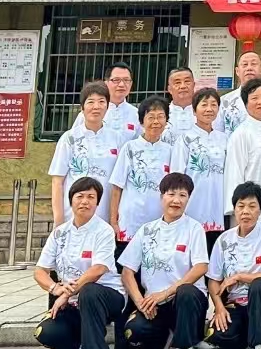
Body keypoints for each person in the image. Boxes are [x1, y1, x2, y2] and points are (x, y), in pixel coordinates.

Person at [33, 177, 126, 349]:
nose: (85, 201)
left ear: (97, 202)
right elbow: (40, 271)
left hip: (107, 296)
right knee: (46, 332)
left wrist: (67, 293)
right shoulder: (60, 233)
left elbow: (98, 269)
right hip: (73, 298)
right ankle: (78, 347)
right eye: (80, 196)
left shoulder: (103, 231)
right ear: (71, 200)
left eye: (91, 197)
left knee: (89, 291)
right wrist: (55, 289)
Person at [120, 172, 210, 349]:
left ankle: (186, 348)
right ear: (161, 197)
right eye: (171, 194)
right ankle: (167, 337)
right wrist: (141, 302)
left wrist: (166, 293)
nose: (176, 200)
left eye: (182, 195)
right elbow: (127, 272)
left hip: (184, 301)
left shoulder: (194, 228)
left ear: (188, 199)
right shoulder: (147, 230)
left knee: (186, 291)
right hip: (154, 303)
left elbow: (201, 266)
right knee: (135, 332)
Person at [205, 181, 261, 349]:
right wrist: (219, 307)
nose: (245, 212)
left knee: (258, 284)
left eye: (252, 206)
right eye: (240, 206)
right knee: (218, 335)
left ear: (260, 210)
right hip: (236, 303)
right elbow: (213, 280)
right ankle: (246, 342)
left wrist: (240, 276)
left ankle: (260, 345)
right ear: (234, 209)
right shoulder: (224, 240)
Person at [48, 81, 122, 226]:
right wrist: (59, 222)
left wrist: (114, 220)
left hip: (104, 217)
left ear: (107, 106)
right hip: (73, 217)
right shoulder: (69, 139)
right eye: (91, 102)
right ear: (82, 108)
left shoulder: (117, 139)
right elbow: (57, 181)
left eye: (101, 101)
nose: (96, 106)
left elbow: (118, 183)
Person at [109, 96, 174, 244]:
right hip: (131, 219)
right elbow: (117, 187)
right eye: (151, 117)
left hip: (159, 218)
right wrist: (113, 221)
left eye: (160, 117)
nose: (156, 122)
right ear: (141, 121)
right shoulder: (130, 148)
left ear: (166, 121)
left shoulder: (170, 151)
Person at [169, 88, 229, 249]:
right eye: (204, 104)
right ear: (194, 110)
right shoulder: (185, 139)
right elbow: (177, 175)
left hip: (218, 205)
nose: (209, 109)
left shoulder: (224, 139)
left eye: (213, 105)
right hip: (193, 204)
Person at [223, 79, 261, 233]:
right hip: (250, 206)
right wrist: (237, 210)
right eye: (254, 98)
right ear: (246, 103)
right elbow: (234, 174)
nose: (260, 102)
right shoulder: (241, 134)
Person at [70, 62, 140, 144]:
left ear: (131, 84)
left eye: (126, 80)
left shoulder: (136, 114)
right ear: (106, 83)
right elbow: (72, 140)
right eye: (116, 80)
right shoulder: (91, 111)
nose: (121, 84)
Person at [220, 51, 261, 133]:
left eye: (254, 64)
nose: (249, 68)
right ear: (237, 71)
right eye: (245, 64)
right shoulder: (225, 100)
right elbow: (217, 133)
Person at [165, 66, 198, 133]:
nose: (183, 86)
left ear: (194, 85)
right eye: (177, 83)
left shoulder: (205, 112)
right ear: (169, 89)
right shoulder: (162, 113)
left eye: (187, 81)